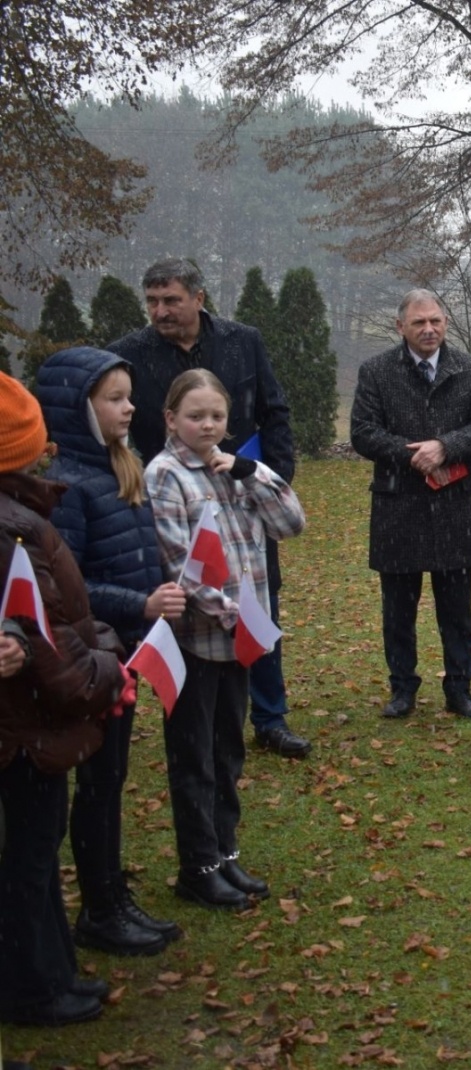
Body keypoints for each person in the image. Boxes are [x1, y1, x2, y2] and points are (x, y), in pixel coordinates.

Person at [107, 258, 310, 760]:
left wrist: (269, 476)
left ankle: (269, 717)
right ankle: (192, 718)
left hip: (239, 497)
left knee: (258, 600)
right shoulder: (128, 354)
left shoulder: (243, 341)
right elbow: (118, 427)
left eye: (171, 300)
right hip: (170, 500)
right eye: (152, 301)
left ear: (198, 299)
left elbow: (274, 412)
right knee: (187, 608)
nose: (160, 311)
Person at [36, 348, 187, 955]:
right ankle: (100, 909)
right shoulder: (69, 487)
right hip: (93, 657)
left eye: (129, 397)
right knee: (98, 783)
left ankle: (113, 896)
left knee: (113, 776)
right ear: (78, 408)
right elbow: (66, 588)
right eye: (114, 399)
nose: (129, 409)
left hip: (125, 652)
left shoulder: (121, 468)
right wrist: (140, 603)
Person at [145, 369, 306, 910]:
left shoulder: (235, 469)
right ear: (171, 419)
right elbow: (178, 565)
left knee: (228, 749)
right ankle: (199, 866)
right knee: (195, 755)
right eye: (196, 416)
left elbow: (291, 524)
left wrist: (251, 471)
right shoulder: (165, 476)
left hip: (240, 641)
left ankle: (226, 853)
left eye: (217, 415)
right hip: (195, 641)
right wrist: (234, 615)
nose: (208, 425)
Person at [0, 373, 127, 1027]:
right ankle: (32, 988)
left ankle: (53, 971)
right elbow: (46, 634)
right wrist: (106, 668)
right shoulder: (14, 531)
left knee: (37, 850)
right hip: (23, 725)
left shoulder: (23, 517)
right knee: (27, 857)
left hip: (29, 718)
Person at [350, 290, 471, 722]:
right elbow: (362, 432)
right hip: (398, 505)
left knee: (457, 609)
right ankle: (402, 689)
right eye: (419, 323)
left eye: (435, 321)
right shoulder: (376, 371)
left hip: (454, 506)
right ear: (401, 327)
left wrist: (445, 447)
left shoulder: (469, 369)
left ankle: (460, 688)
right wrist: (412, 454)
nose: (429, 329)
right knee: (398, 609)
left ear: (446, 322)